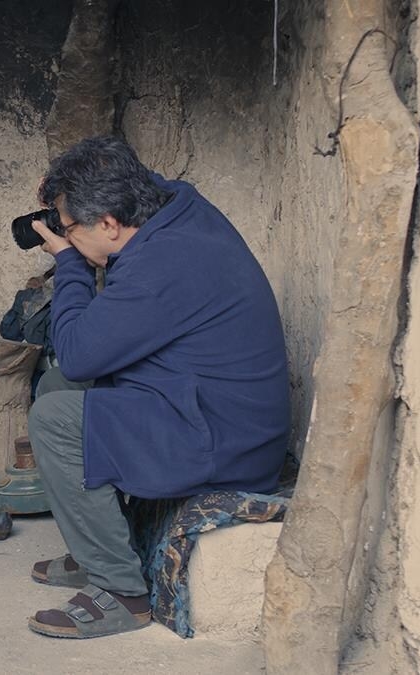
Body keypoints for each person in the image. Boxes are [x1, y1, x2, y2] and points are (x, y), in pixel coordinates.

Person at [23, 137, 290, 639]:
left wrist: (71, 265)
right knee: (57, 385)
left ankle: (121, 592)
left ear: (108, 223)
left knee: (55, 418)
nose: (65, 234)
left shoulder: (160, 265)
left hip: (223, 440)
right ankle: (99, 545)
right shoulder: (176, 206)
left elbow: (79, 354)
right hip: (206, 401)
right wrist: (64, 191)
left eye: (70, 225)